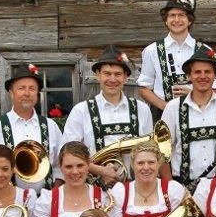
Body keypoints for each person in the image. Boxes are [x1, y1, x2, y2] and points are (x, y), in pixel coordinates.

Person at [61, 46, 154, 186]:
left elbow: (150, 151)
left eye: (118, 74)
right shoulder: (81, 111)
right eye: (107, 73)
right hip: (94, 189)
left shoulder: (142, 109)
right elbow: (68, 154)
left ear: (125, 77)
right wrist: (101, 171)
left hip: (135, 189)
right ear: (98, 75)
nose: (112, 79)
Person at [0, 63, 63, 192]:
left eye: (32, 88)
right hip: (8, 201)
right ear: (11, 93)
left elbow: (61, 165)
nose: (27, 93)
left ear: (37, 93)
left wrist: (54, 193)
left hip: (44, 200)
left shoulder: (50, 126)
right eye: (21, 88)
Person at [160, 46, 216, 188]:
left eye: (207, 72)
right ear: (189, 76)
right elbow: (162, 151)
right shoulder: (173, 107)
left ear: (215, 75)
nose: (202, 76)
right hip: (182, 188)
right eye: (197, 72)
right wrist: (171, 187)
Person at [29, 142, 122, 217]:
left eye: (80, 165)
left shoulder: (106, 197)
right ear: (60, 167)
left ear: (88, 166)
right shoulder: (48, 199)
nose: (75, 172)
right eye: (68, 167)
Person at [138, 0, 200, 113]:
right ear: (166, 20)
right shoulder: (152, 50)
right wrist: (167, 108)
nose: (177, 20)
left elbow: (213, 88)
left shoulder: (203, 51)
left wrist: (194, 95)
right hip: (162, 114)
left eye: (181, 15)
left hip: (197, 113)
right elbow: (144, 88)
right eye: (172, 15)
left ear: (189, 20)